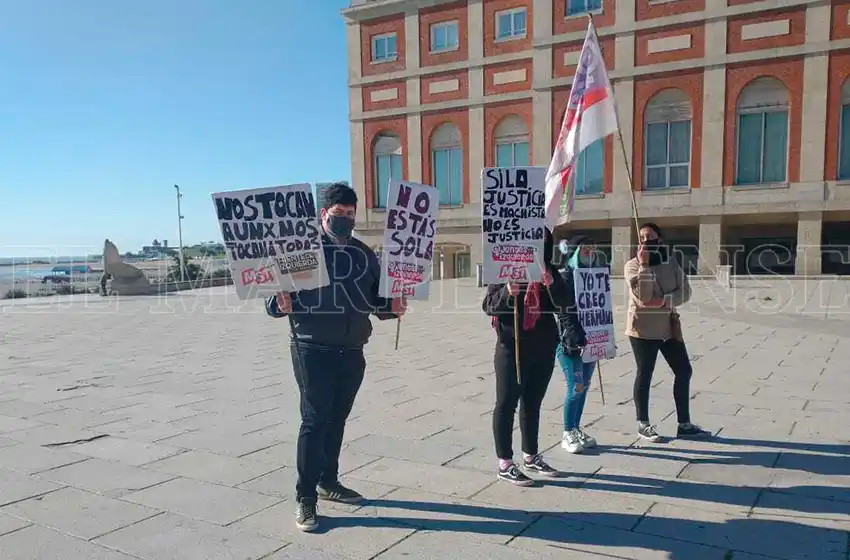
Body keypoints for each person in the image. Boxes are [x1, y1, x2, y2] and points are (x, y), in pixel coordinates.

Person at [265, 183, 406, 532]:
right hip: (311, 347)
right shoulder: (301, 251)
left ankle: (329, 482)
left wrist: (394, 307)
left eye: (350, 214)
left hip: (352, 349)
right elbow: (273, 301)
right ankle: (306, 497)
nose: (345, 219)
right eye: (338, 213)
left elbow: (375, 300)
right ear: (322, 215)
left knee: (338, 419)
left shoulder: (363, 254)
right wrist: (278, 302)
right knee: (315, 420)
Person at [483, 231, 572, 486]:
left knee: (533, 404)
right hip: (511, 346)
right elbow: (489, 305)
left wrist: (550, 282)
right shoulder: (504, 270)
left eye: (544, 242)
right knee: (506, 403)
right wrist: (508, 293)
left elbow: (565, 303)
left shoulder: (550, 270)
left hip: (543, 346)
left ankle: (531, 456)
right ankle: (505, 463)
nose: (538, 247)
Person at [624, 222, 710, 442]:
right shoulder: (632, 266)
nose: (645, 241)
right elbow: (643, 298)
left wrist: (663, 301)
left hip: (668, 328)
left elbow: (686, 291)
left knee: (684, 371)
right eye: (641, 238)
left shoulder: (670, 262)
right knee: (645, 375)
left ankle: (684, 424)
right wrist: (644, 266)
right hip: (642, 330)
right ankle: (643, 424)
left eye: (650, 237)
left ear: (659, 240)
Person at [555, 235, 601, 454]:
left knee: (585, 387)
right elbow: (564, 313)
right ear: (573, 252)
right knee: (576, 387)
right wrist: (575, 338)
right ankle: (567, 432)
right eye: (584, 249)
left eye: (592, 249)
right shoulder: (564, 277)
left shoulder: (597, 275)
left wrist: (604, 336)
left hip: (592, 342)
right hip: (570, 343)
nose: (589, 252)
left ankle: (575, 428)